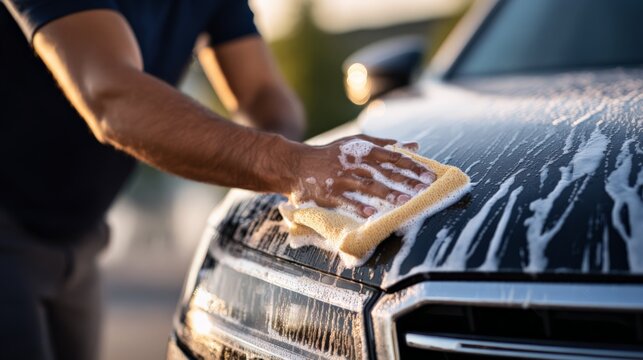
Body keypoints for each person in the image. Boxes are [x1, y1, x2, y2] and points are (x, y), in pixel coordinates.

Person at [0, 1, 435, 359]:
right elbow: (111, 96)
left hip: (80, 233)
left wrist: (310, 169)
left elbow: (263, 93)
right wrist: (293, 165)